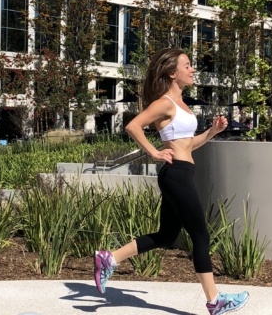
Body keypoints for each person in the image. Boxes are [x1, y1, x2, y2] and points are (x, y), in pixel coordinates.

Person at [94, 48, 249, 315]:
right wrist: (153, 151)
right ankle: (214, 301)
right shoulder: (165, 102)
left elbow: (188, 145)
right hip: (175, 173)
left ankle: (110, 258)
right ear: (172, 72)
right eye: (187, 65)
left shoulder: (182, 104)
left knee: (167, 235)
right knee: (201, 235)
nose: (192, 70)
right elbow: (133, 126)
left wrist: (212, 132)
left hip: (180, 171)